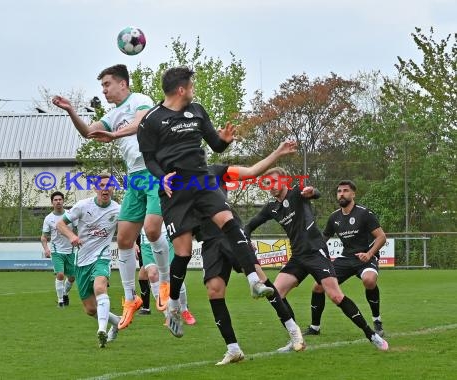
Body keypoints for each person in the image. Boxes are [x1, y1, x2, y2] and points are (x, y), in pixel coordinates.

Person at [137, 66, 272, 338]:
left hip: (202, 181)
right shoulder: (151, 119)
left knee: (229, 222)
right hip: (175, 189)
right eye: (192, 85)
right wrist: (162, 178)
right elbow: (149, 158)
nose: (194, 90)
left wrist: (223, 141)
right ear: (181, 89)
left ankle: (253, 280)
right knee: (184, 253)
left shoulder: (197, 111)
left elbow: (216, 146)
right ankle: (173, 304)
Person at [53, 64, 171, 330]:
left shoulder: (140, 99)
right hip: (135, 178)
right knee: (125, 239)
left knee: (152, 232)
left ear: (122, 84)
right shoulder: (113, 113)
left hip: (155, 170)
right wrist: (71, 110)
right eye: (102, 86)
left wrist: (114, 134)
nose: (104, 90)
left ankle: (165, 282)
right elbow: (88, 132)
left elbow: (141, 122)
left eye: (107, 84)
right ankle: (131, 299)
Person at [244, 168, 389, 351]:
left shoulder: (297, 192)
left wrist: (312, 192)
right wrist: (245, 239)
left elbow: (314, 193)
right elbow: (249, 226)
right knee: (276, 293)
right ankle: (296, 338)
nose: (270, 186)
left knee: (336, 296)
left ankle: (372, 334)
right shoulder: (271, 208)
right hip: (298, 256)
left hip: (316, 252)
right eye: (267, 183)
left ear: (284, 181)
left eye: (273, 181)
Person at [196, 140, 307, 365]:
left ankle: (293, 329)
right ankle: (233, 349)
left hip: (229, 232)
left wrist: (277, 152)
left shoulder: (216, 171)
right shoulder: (174, 181)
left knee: (262, 280)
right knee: (214, 291)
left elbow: (251, 171)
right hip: (207, 240)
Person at [303, 180, 387, 337]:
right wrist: (310, 249)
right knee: (318, 286)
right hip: (346, 258)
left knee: (369, 281)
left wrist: (369, 254)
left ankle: (377, 321)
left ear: (353, 194)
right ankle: (315, 327)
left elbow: (382, 237)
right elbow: (323, 238)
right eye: (339, 191)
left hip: (366, 257)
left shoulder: (364, 213)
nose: (341, 194)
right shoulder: (334, 217)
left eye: (345, 190)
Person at [56, 174, 121, 348]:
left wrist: (134, 246)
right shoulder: (83, 206)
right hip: (81, 260)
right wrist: (72, 236)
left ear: (113, 189)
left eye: (109, 185)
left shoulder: (118, 210)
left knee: (100, 287)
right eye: (101, 185)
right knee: (90, 309)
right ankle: (116, 321)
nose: (105, 188)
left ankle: (101, 331)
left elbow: (126, 231)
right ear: (95, 188)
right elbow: (60, 224)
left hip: (102, 256)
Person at [139, 226, 196, 324]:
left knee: (172, 273)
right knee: (152, 275)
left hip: (166, 239)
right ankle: (168, 314)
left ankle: (184, 309)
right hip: (147, 243)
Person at [41, 191, 76, 308]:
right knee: (60, 274)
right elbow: (44, 237)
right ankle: (60, 301)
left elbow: (79, 229)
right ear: (52, 203)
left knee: (72, 277)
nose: (58, 202)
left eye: (60, 199)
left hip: (70, 251)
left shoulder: (70, 215)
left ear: (63, 201)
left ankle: (65, 293)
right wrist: (46, 249)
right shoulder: (49, 218)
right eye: (55, 200)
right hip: (56, 251)